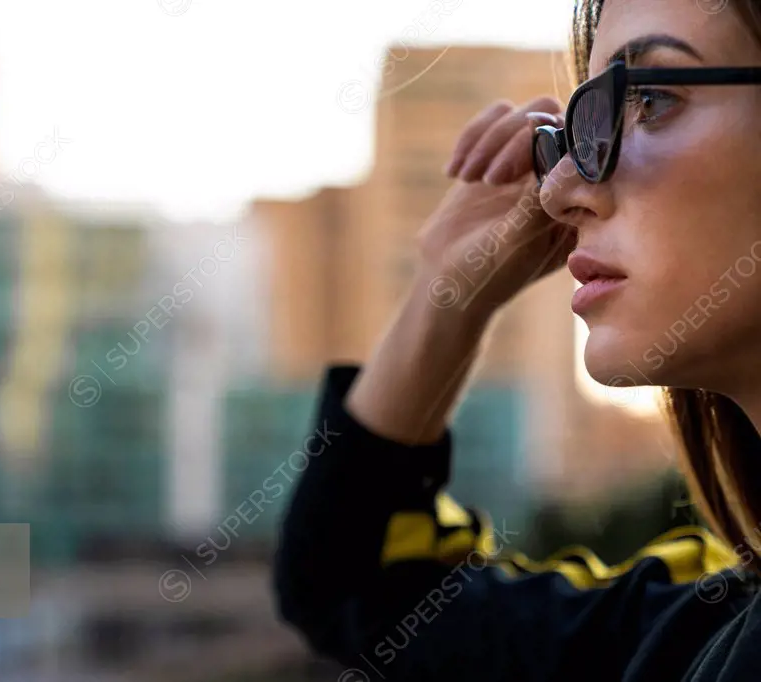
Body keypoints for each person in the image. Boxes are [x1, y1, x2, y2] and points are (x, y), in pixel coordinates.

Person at [272, 0, 761, 679]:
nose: (560, 188)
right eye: (579, 128)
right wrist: (447, 294)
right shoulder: (697, 634)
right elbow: (357, 588)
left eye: (650, 97)